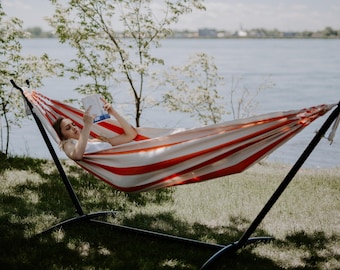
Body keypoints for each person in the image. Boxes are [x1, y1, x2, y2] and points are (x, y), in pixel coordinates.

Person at [52, 98, 137, 161]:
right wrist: (87, 125)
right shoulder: (67, 144)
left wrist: (114, 113)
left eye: (73, 124)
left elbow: (131, 135)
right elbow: (77, 155)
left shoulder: (99, 140)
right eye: (68, 128)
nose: (73, 127)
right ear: (62, 136)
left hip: (126, 159)